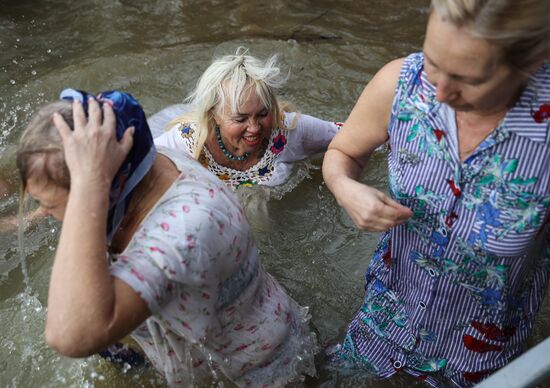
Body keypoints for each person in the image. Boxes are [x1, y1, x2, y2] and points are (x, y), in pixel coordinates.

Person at [17, 89, 317, 387]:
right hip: (232, 329)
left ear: (104, 185)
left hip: (258, 374)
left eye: (52, 205)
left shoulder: (184, 230)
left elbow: (68, 335)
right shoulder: (146, 162)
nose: (44, 214)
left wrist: (86, 190)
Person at [322, 0, 550, 386]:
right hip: (385, 319)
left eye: (468, 79)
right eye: (432, 62)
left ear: (528, 64)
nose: (440, 93)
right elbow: (341, 153)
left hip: (483, 349)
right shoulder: (401, 84)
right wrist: (347, 189)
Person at [152, 47, 342, 191]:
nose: (254, 128)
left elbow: (355, 136)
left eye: (262, 114)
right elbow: (134, 169)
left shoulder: (289, 130)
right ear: (214, 116)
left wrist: (341, 178)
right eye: (240, 119)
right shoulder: (186, 141)